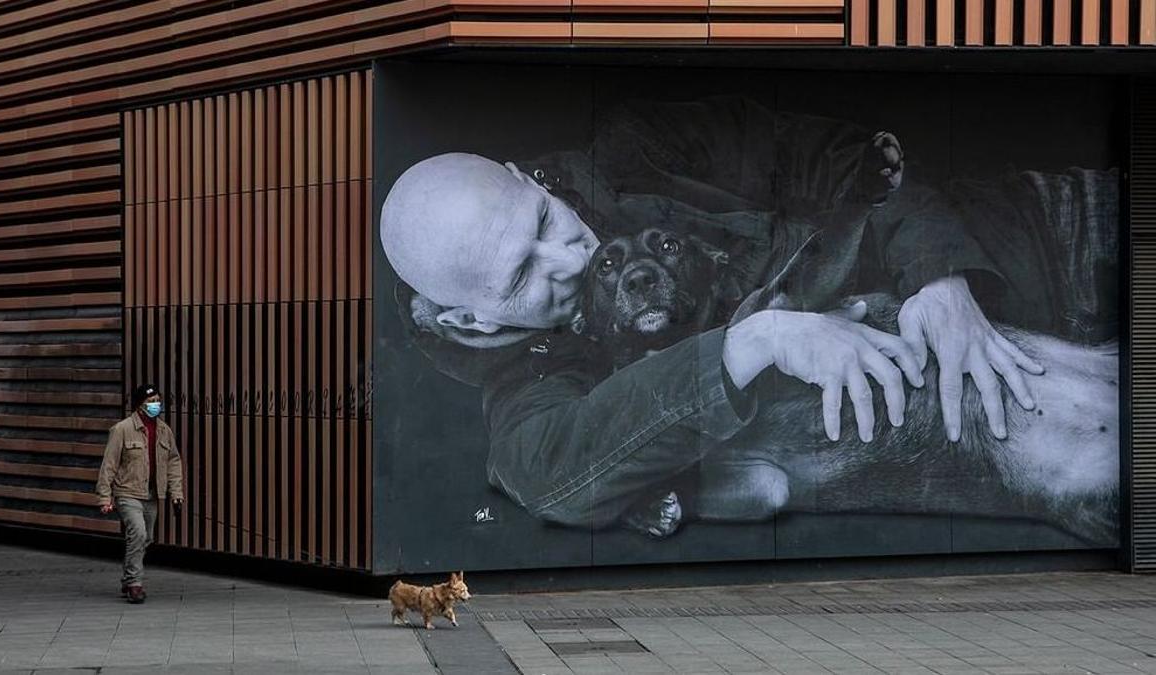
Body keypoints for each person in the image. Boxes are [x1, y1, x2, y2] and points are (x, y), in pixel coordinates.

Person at [380, 96, 1089, 532]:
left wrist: (938, 275)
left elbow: (842, 158)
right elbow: (550, 469)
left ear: (522, 176)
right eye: (522, 274)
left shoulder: (637, 150)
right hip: (1043, 432)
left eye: (543, 217)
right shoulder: (528, 390)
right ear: (466, 320)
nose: (569, 255)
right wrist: (755, 341)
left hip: (1050, 234)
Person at [95, 384, 184, 604]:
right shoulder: (122, 430)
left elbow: (173, 461)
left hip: (152, 494)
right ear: (139, 405)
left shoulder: (164, 430)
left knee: (146, 538)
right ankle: (135, 584)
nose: (156, 404)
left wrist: (177, 493)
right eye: (151, 401)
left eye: (158, 400)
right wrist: (105, 497)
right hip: (127, 492)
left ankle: (127, 579)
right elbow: (109, 465)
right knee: (138, 533)